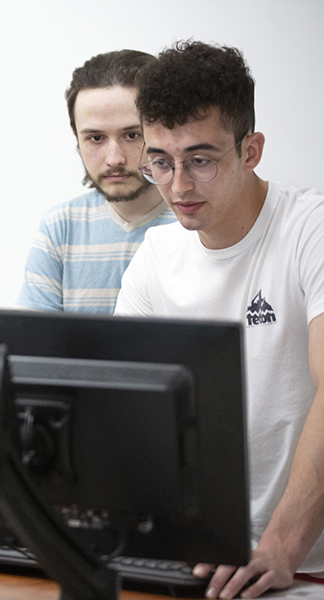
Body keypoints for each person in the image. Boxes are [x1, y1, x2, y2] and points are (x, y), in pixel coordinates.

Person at [116, 41, 324, 598]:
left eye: (201, 160)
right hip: (194, 560)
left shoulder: (311, 228)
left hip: (302, 565)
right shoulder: (155, 258)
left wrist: (281, 545)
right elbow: (119, 410)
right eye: (160, 161)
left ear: (251, 150)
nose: (178, 186)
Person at [16, 50, 175, 313]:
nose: (114, 159)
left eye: (132, 135)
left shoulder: (196, 221)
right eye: (96, 138)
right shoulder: (61, 227)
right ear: (77, 139)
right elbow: (30, 343)